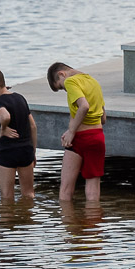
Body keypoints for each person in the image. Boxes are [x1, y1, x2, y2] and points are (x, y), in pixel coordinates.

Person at [47, 62, 105, 204]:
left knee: (66, 189)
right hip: (97, 137)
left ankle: (69, 223)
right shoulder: (93, 82)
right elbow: (103, 117)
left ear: (61, 74)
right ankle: (94, 224)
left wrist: (71, 131)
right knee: (93, 190)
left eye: (61, 86)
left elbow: (84, 106)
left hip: (80, 138)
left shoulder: (71, 81)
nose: (65, 90)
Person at [0, 67, 37, 201]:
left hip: (8, 151)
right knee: (28, 194)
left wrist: (3, 129)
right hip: (26, 150)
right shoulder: (20, 98)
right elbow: (33, 125)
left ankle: (7, 221)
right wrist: (33, 151)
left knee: (7, 196)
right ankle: (28, 219)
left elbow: (5, 116)